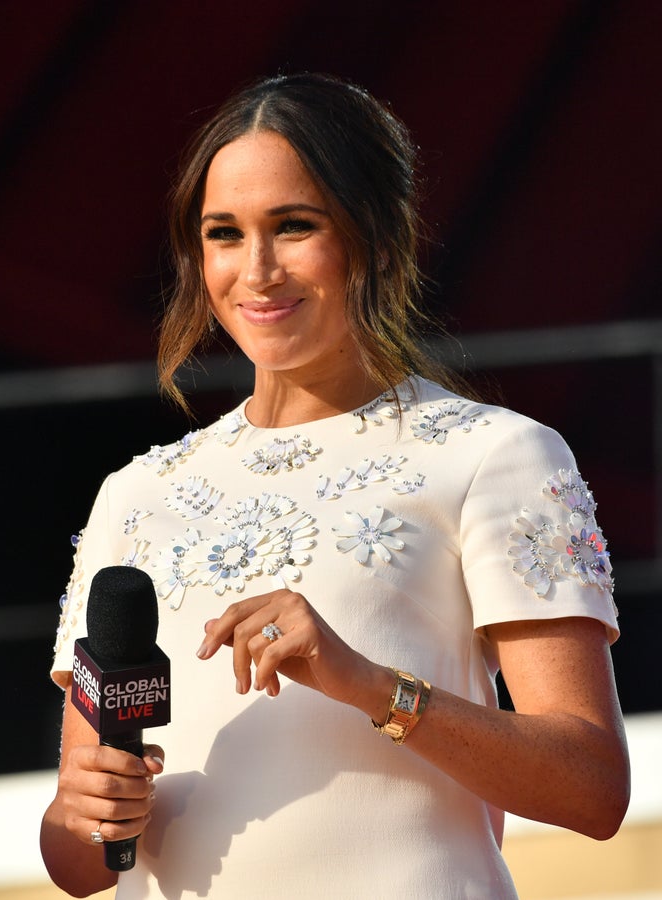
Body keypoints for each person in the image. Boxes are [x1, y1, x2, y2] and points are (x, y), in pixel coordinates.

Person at [40, 72, 630, 899]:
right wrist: (83, 814)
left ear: (377, 237)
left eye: (294, 226)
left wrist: (364, 682)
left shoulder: (494, 456)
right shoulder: (136, 494)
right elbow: (77, 867)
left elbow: (592, 791)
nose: (258, 269)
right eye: (224, 234)